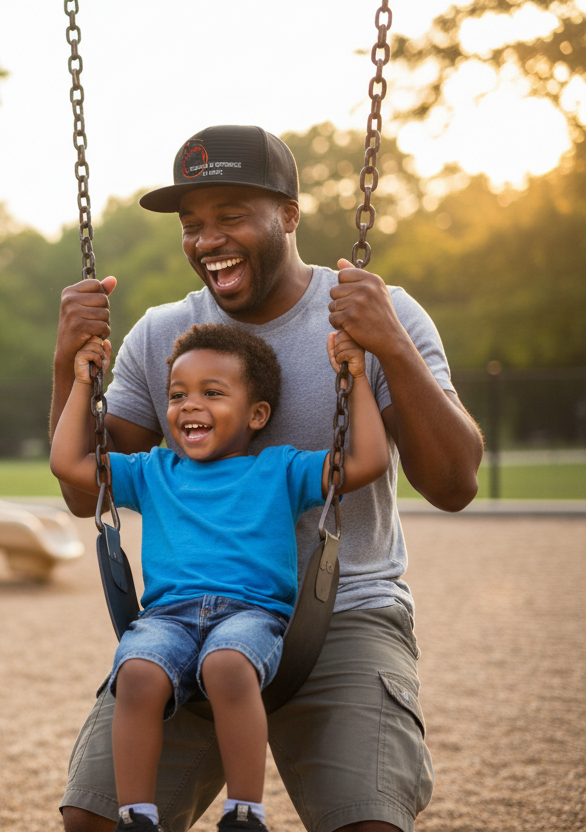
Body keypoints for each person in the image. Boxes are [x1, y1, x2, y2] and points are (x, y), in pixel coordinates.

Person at [51, 125, 484, 832]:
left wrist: (389, 346)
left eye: (230, 216)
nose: (206, 239)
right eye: (193, 225)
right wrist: (67, 360)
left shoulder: (377, 313)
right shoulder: (164, 337)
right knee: (94, 816)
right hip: (190, 617)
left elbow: (455, 484)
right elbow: (82, 491)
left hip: (345, 608)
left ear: (288, 214)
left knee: (366, 823)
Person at [51, 323, 390, 832]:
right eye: (177, 395)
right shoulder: (151, 471)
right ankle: (136, 817)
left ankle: (245, 812)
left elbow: (366, 461)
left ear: (257, 415)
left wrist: (358, 378)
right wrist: (81, 382)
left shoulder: (279, 469)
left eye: (212, 393)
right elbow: (67, 463)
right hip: (168, 617)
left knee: (228, 665)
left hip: (251, 614)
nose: (189, 405)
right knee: (137, 674)